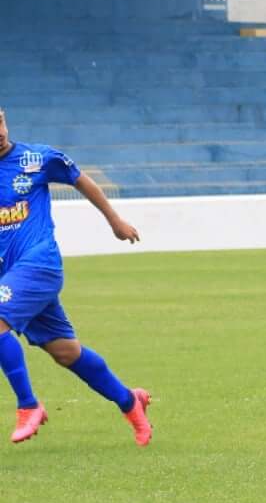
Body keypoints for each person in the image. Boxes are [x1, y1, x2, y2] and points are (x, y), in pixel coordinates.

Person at [0, 107, 154, 445]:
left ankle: (28, 405)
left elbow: (79, 178)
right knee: (67, 353)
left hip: (40, 264)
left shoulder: (37, 158)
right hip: (12, 274)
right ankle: (131, 402)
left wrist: (114, 221)